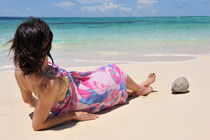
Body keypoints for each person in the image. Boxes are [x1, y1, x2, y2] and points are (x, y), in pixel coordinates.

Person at [9, 17, 156, 131]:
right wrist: (72, 115)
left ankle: (135, 87)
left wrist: (48, 104)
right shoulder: (49, 83)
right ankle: (140, 89)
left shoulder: (20, 71)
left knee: (106, 76)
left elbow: (28, 100)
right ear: (45, 44)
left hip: (72, 86)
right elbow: (38, 124)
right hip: (81, 99)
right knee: (114, 70)